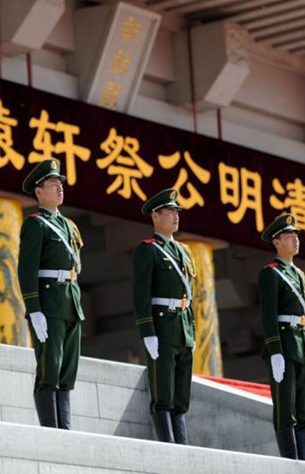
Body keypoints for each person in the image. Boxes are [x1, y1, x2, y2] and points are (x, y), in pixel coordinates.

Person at [18, 159, 84, 429]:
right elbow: (26, 269)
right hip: (49, 302)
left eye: (60, 184)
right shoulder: (36, 224)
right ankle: (50, 428)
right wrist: (34, 309)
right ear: (39, 191)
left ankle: (64, 428)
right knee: (49, 367)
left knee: (67, 369)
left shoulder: (68, 225)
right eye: (53, 184)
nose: (59, 188)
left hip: (70, 301)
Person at [132, 188, 196, 444]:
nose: (175, 216)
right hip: (163, 325)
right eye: (170, 212)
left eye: (177, 211)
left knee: (181, 393)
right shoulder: (149, 250)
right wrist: (148, 332)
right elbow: (140, 295)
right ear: (156, 216)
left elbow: (190, 294)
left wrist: (191, 327)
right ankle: (168, 443)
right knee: (163, 392)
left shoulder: (183, 251)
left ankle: (181, 442)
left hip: (182, 327)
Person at [258, 213, 305, 460]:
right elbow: (268, 315)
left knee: (302, 407)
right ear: (277, 242)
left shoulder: (299, 274)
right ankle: (291, 459)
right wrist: (275, 351)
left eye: (296, 236)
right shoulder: (271, 273)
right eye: (290, 237)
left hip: (301, 341)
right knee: (285, 406)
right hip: (284, 342)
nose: (296, 241)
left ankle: (304, 458)